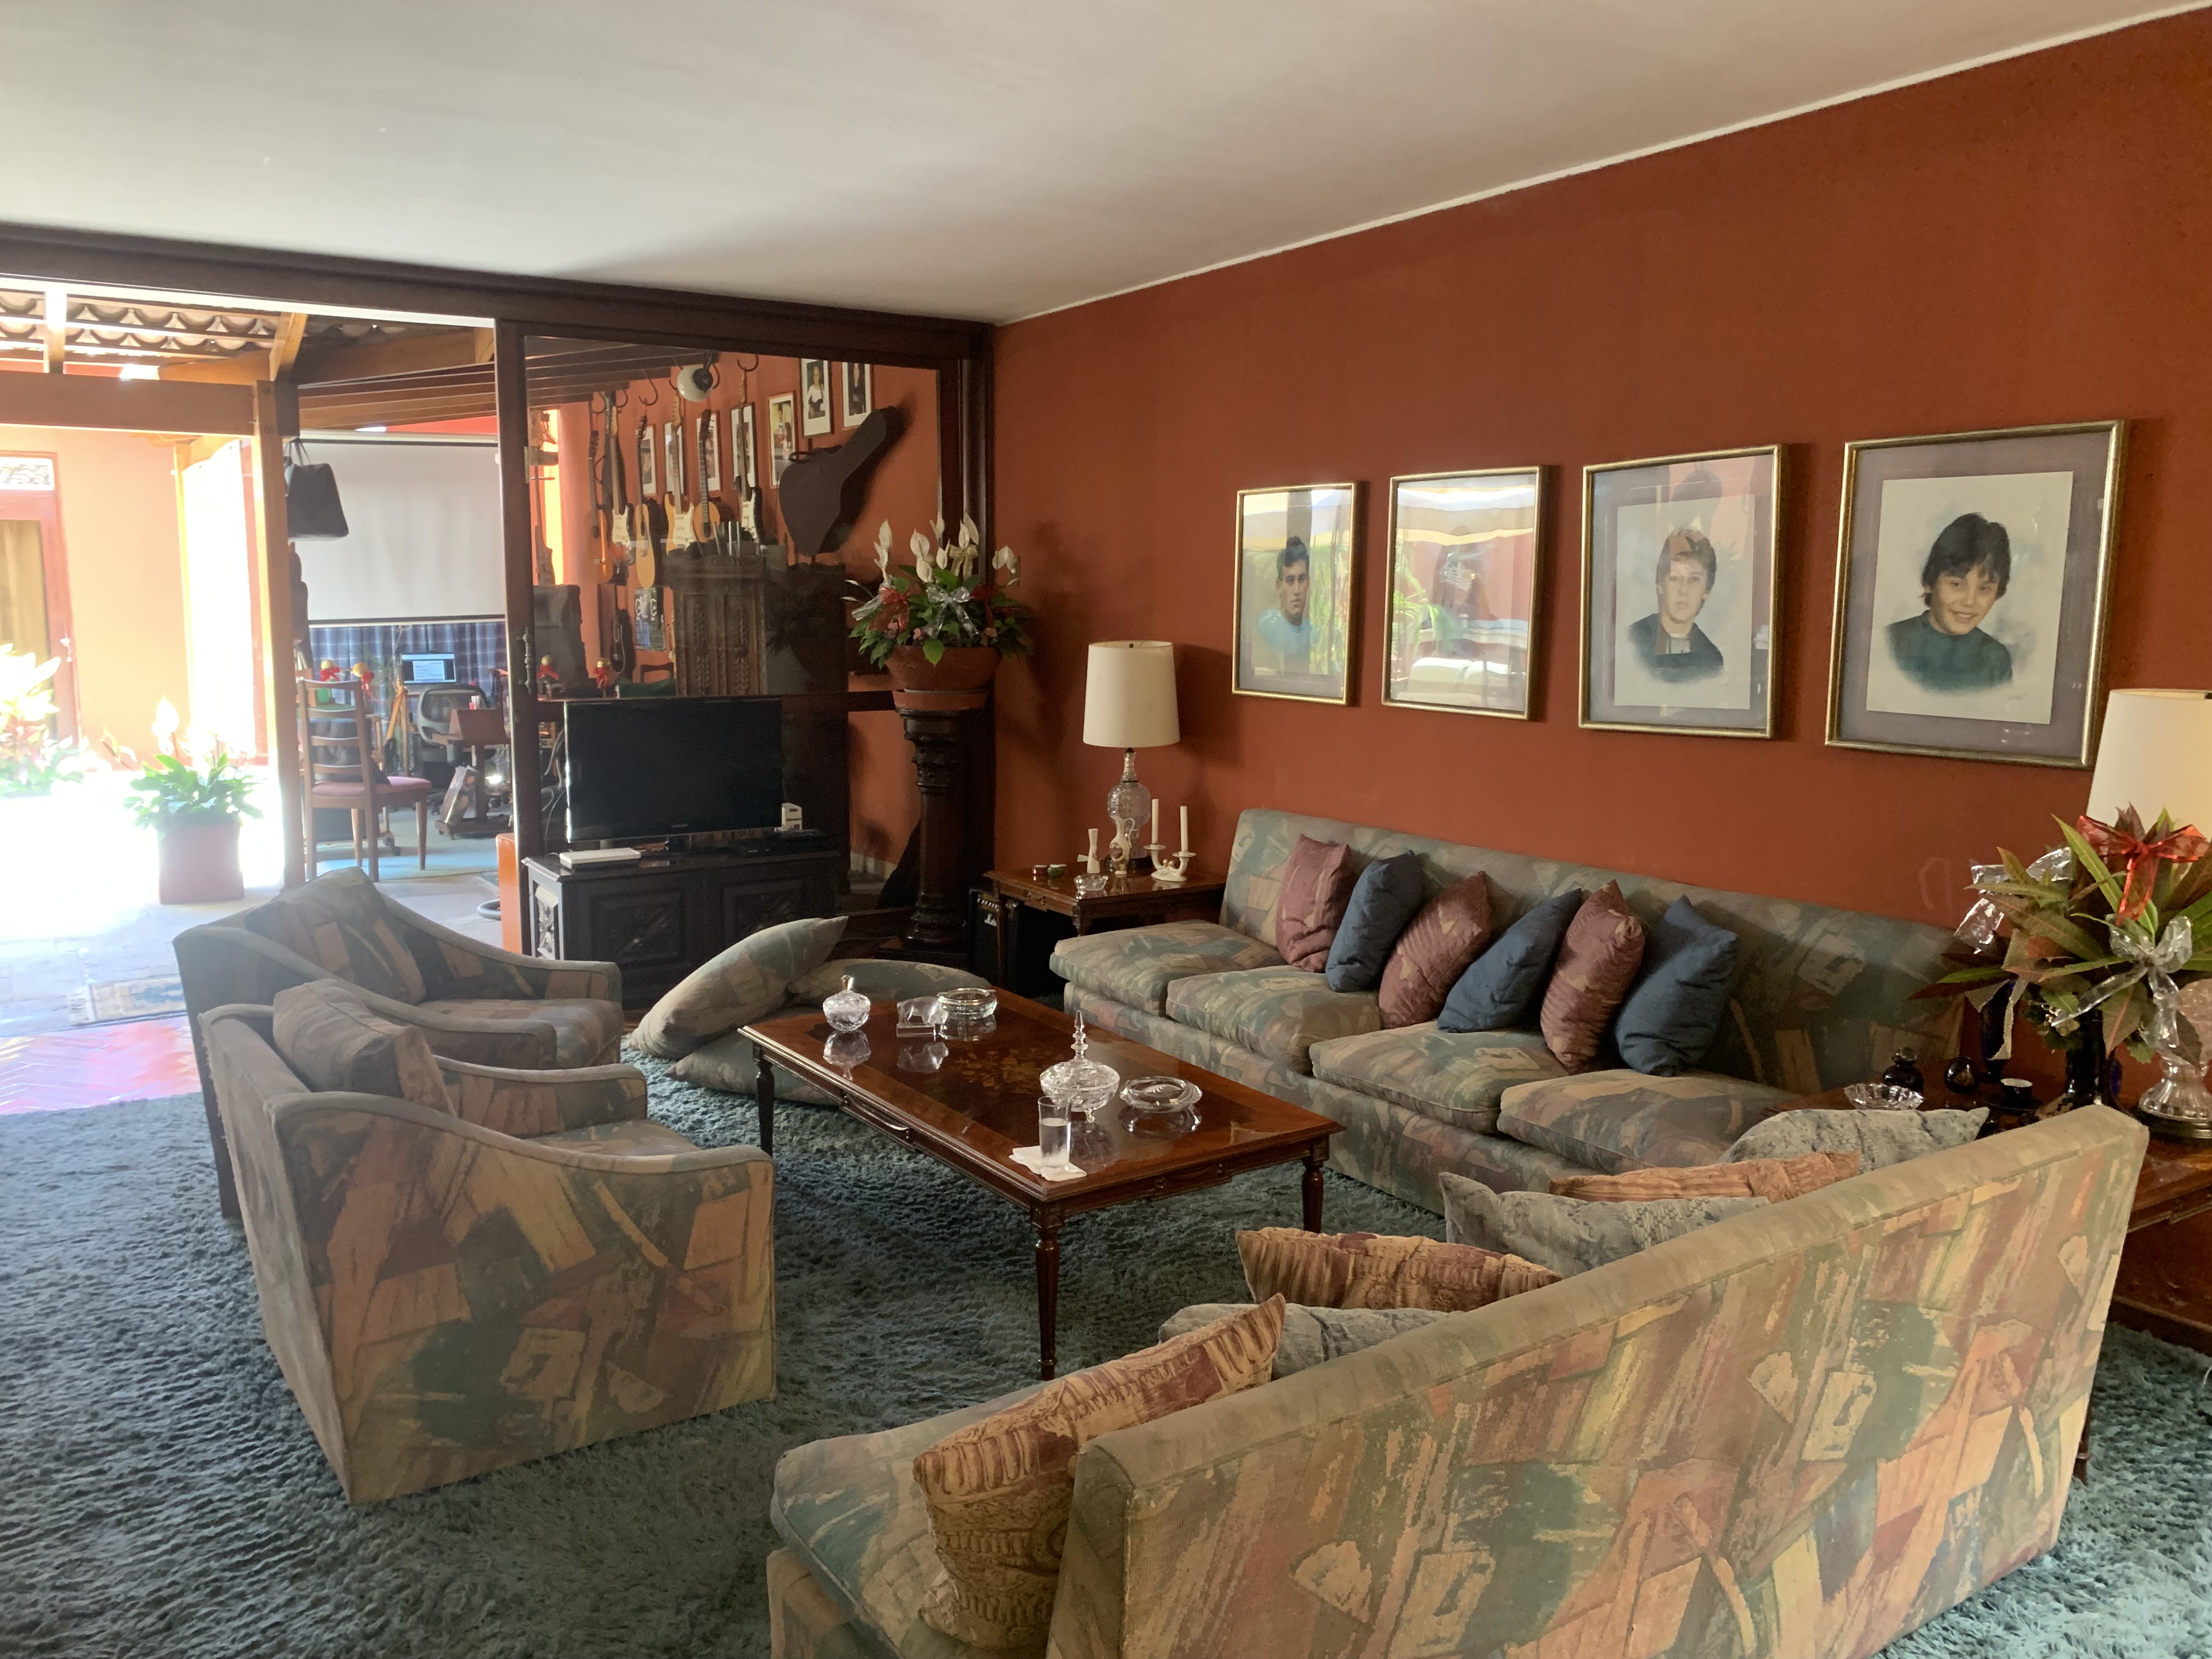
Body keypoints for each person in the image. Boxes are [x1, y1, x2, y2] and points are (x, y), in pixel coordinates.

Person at [1886, 513, 2015, 692]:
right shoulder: (1892, 642)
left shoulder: (1996, 659)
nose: (1969, 602)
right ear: (1929, 583)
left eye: (1984, 589)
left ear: (1997, 594)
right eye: (1957, 585)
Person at [1627, 527, 1724, 681]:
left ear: (1707, 590)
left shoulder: (1712, 660)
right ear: (1660, 584)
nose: (1683, 591)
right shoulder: (1632, 642)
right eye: (1675, 578)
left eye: (1694, 580)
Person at [1253, 537, 1313, 674]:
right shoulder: (1266, 626)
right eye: (1290, 581)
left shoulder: (1312, 632)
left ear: (1308, 583)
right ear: (1279, 586)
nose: (1297, 590)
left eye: (1302, 580)